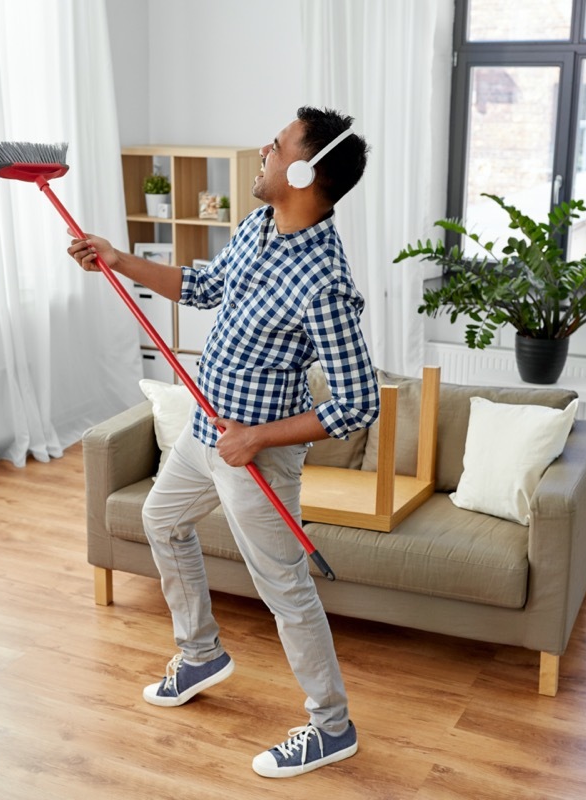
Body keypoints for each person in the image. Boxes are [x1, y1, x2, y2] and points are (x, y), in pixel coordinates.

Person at [67, 106, 375, 779]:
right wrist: (120, 261)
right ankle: (201, 652)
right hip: (207, 430)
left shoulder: (324, 281)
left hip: (255, 453)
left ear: (302, 170)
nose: (262, 150)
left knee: (285, 588)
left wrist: (258, 438)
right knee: (161, 518)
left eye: (276, 144)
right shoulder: (259, 225)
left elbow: (358, 403)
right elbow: (204, 287)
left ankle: (332, 725)